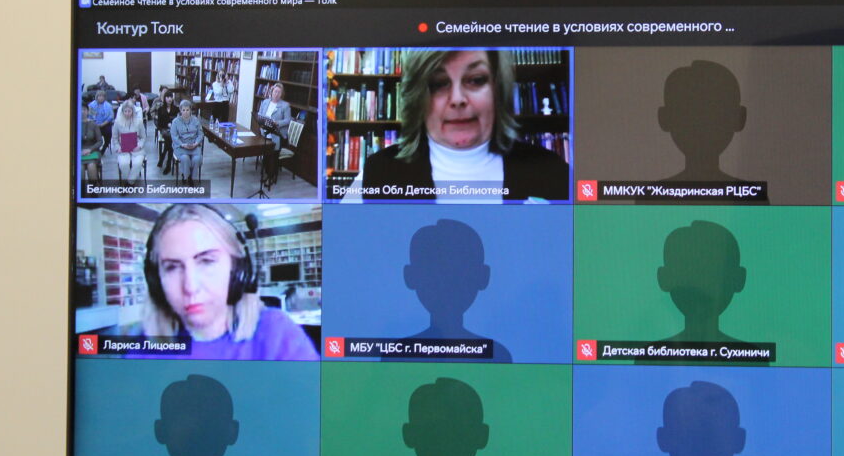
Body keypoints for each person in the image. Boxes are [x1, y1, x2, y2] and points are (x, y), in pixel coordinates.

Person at [360, 50, 568, 202]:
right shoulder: (378, 172)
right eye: (439, 83)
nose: (457, 99)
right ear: (417, 98)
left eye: (476, 80)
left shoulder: (553, 171)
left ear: (498, 90)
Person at [134, 204, 316, 360]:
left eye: (206, 261)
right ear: (155, 281)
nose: (190, 287)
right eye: (172, 267)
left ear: (237, 270)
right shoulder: (143, 348)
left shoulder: (276, 334)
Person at [388, 219, 512, 362]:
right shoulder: (397, 354)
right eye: (433, 272)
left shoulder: (497, 355)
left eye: (459, 272)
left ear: (483, 276)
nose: (445, 283)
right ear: (410, 276)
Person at [657, 380, 749, 456]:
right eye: (689, 433)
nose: (701, 448)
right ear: (664, 439)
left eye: (711, 434)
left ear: (738, 440)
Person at [256, 82, 292, 185]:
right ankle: (267, 174)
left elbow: (288, 120)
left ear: (281, 94)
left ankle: (271, 177)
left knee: (273, 157)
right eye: (275, 91)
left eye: (279, 92)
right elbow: (260, 114)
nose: (276, 94)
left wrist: (277, 123)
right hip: (265, 133)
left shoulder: (285, 105)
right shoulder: (265, 102)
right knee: (266, 156)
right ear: (271, 92)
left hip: (276, 135)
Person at [170, 99, 205, 184]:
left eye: (187, 110)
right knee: (185, 158)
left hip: (194, 145)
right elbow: (174, 137)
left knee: (196, 159)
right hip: (181, 146)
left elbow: (200, 134)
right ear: (180, 110)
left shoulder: (196, 120)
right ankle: (186, 176)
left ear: (190, 110)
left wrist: (196, 143)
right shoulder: (175, 122)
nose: (185, 112)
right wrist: (182, 144)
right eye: (183, 110)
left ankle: (192, 177)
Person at [113, 100, 147, 184]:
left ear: (132, 111)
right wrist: (118, 148)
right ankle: (130, 181)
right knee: (123, 164)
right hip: (122, 149)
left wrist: (139, 146)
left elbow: (143, 137)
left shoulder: (139, 122)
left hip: (136, 148)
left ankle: (129, 183)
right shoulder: (117, 122)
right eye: (125, 111)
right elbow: (114, 138)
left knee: (137, 163)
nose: (127, 113)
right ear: (122, 111)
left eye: (129, 111)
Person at [88, 90, 115, 156]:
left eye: (103, 96)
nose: (101, 97)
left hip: (105, 124)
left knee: (108, 134)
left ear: (105, 97)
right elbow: (90, 117)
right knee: (92, 134)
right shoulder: (92, 105)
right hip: (94, 124)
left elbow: (110, 117)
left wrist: (102, 124)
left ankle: (104, 148)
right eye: (99, 96)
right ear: (96, 97)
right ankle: (95, 149)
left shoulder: (108, 105)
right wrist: (96, 125)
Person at [80, 109, 103, 182]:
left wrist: (90, 149)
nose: (82, 111)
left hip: (93, 151)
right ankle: (81, 188)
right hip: (79, 152)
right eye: (80, 109)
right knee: (80, 168)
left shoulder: (93, 124)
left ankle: (93, 186)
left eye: (84, 109)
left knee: (91, 166)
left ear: (87, 111)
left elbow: (100, 141)